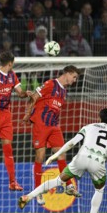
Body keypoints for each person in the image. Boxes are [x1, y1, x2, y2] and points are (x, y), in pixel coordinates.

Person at [19, 108, 107, 213]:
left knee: (58, 180)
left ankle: (28, 196)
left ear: (99, 116)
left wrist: (55, 155)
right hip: (98, 162)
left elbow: (72, 142)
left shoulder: (89, 126)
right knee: (99, 190)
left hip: (81, 157)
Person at [22, 66, 82, 205]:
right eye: (74, 77)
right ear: (67, 73)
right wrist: (27, 114)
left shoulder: (63, 91)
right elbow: (34, 97)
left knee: (61, 154)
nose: (74, 81)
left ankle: (68, 186)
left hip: (54, 126)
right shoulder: (50, 84)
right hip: (41, 124)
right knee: (40, 156)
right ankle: (38, 192)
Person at [0, 51, 29, 193]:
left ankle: (12, 182)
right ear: (10, 63)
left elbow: (19, 93)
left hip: (6, 115)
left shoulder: (12, 75)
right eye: (13, 63)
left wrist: (26, 93)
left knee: (8, 149)